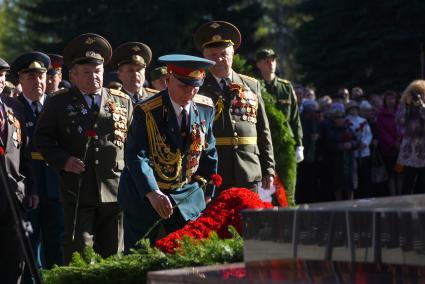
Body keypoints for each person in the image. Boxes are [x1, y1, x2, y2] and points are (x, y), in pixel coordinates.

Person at [34, 33, 133, 263]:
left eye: (97, 71)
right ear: (74, 75)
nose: (93, 77)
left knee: (113, 256)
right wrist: (64, 160)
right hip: (77, 190)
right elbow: (42, 138)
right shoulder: (59, 102)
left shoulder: (121, 101)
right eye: (86, 72)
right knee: (79, 253)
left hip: (114, 190)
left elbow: (132, 143)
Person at [118, 54, 218, 251]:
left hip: (186, 194)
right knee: (140, 257)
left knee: (188, 255)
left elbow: (209, 151)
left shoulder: (205, 107)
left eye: (195, 86)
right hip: (145, 197)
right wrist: (153, 192)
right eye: (184, 86)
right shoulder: (147, 111)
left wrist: (207, 192)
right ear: (168, 80)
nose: (190, 92)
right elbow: (136, 155)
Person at [193, 21, 275, 194]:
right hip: (213, 172)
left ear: (233, 54)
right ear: (204, 57)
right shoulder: (196, 89)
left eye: (224, 53)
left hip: (249, 169)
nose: (219, 59)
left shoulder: (251, 85)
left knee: (249, 220)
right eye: (213, 54)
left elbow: (263, 129)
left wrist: (269, 168)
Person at [11, 52, 64, 269]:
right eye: (31, 77)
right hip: (26, 187)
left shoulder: (57, 106)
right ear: (20, 81)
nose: (38, 82)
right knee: (27, 245)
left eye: (41, 76)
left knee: (56, 244)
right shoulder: (12, 108)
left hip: (55, 185)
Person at [0, 56, 37, 283]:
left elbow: (25, 153)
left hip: (14, 196)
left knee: (15, 261)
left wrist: (32, 189)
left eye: (2, 77)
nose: (0, 81)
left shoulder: (14, 107)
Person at [255, 48, 304, 163]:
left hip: (285, 142)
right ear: (258, 64)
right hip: (262, 143)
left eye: (273, 60)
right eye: (266, 61)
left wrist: (299, 145)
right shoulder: (254, 86)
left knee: (287, 180)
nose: (271, 63)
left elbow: (295, 118)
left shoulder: (286, 87)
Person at [396, 80, 425, 195]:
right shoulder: (405, 106)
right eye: (414, 92)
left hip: (423, 149)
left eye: (419, 92)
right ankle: (405, 208)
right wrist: (407, 106)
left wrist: (421, 106)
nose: (417, 95)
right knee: (408, 182)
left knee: (423, 183)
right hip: (410, 150)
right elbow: (400, 123)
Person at [345, 101, 372, 198]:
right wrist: (355, 144)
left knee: (365, 175)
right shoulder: (346, 121)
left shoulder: (363, 120)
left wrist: (364, 143)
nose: (354, 111)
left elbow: (368, 134)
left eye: (355, 109)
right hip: (353, 152)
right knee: (354, 176)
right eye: (352, 109)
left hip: (364, 151)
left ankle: (366, 195)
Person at [376, 90, 401, 196]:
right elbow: (382, 132)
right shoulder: (381, 115)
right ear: (385, 101)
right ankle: (393, 196)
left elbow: (403, 127)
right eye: (388, 99)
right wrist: (393, 143)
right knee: (391, 174)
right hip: (389, 150)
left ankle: (400, 195)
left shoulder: (400, 112)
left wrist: (400, 141)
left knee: (400, 172)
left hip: (401, 148)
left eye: (392, 98)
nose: (391, 101)